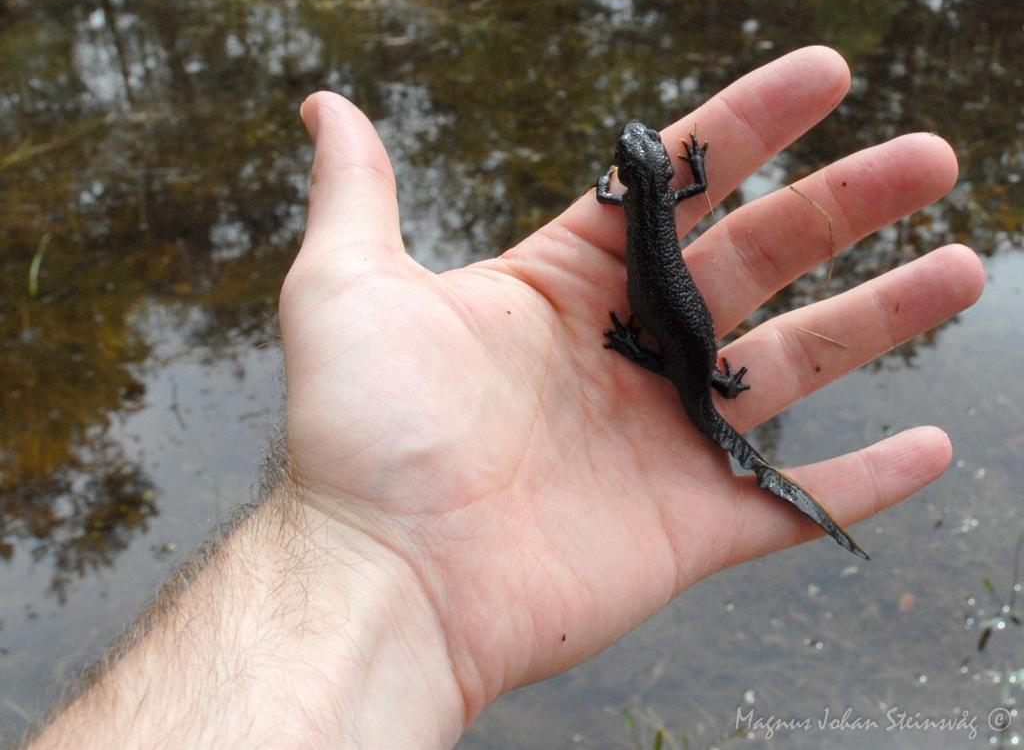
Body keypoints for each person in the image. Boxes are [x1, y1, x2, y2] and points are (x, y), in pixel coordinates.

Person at [26, 46, 983, 749]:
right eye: (645, 160)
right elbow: (679, 187)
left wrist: (629, 342)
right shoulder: (660, 195)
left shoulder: (628, 200)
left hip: (674, 338)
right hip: (684, 342)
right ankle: (721, 404)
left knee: (685, 353)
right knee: (695, 359)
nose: (644, 162)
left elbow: (649, 199)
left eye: (640, 159)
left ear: (631, 176)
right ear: (652, 178)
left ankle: (712, 399)